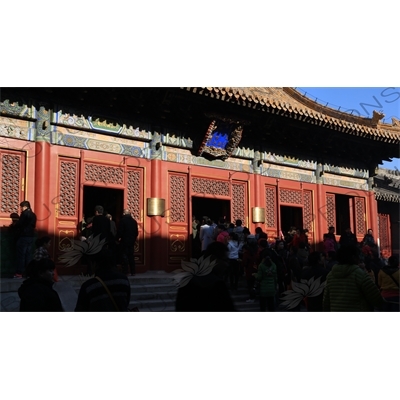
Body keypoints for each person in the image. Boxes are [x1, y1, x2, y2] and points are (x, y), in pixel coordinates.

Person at [175, 241, 235, 311]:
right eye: (225, 260)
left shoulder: (187, 279)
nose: (227, 265)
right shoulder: (217, 284)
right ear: (213, 259)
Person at [323, 245, 383, 311]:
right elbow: (376, 299)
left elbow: (326, 301)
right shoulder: (360, 274)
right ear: (354, 257)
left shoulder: (330, 276)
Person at [13, 200, 37, 279]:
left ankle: (19, 273)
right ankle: (28, 273)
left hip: (23, 236)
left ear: (25, 207)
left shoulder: (25, 214)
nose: (21, 209)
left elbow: (20, 224)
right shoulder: (33, 215)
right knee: (28, 255)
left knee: (21, 255)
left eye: (21, 207)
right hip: (30, 236)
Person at [116, 209, 139, 276]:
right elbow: (136, 232)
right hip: (131, 241)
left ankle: (125, 271)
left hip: (124, 241)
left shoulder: (122, 221)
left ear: (124, 213)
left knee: (124, 255)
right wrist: (133, 239)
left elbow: (120, 231)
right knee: (131, 256)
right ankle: (133, 271)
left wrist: (117, 239)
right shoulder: (134, 221)